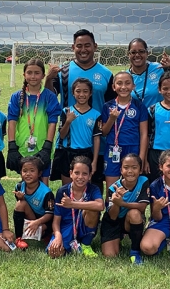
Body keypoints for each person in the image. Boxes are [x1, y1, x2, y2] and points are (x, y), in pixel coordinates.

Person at [45, 29, 116, 187]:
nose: (83, 49)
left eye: (87, 45)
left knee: (92, 188)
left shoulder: (106, 73)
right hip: (69, 140)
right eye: (79, 46)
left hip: (96, 141)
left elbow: (112, 105)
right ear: (73, 47)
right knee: (69, 188)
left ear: (95, 46)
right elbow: (50, 97)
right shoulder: (63, 71)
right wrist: (48, 79)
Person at [7, 59, 61, 184]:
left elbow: (52, 122)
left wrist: (47, 146)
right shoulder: (16, 97)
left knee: (43, 185)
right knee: (26, 184)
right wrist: (12, 146)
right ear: (24, 75)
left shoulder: (49, 96)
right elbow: (12, 121)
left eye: (37, 73)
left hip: (42, 147)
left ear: (43, 75)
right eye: (29, 72)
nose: (33, 76)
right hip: (22, 148)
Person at [47, 156, 104, 258]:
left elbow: (100, 206)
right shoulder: (62, 191)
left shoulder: (93, 189)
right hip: (67, 227)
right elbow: (56, 220)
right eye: (77, 173)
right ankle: (70, 245)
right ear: (70, 174)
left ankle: (86, 244)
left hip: (84, 226)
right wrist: (58, 236)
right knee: (54, 252)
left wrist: (72, 204)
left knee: (92, 209)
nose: (80, 177)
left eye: (85, 174)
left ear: (90, 176)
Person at [101, 71, 148, 188]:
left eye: (127, 83)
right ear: (113, 87)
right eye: (119, 83)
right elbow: (104, 132)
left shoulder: (139, 106)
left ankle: (128, 206)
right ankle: (111, 206)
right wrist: (112, 119)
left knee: (131, 188)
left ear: (133, 86)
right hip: (113, 149)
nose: (123, 87)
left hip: (133, 149)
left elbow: (144, 133)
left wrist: (141, 157)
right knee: (111, 189)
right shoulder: (107, 106)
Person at [100, 154, 149, 265]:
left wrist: (122, 203)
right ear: (121, 170)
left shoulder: (143, 181)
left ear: (140, 170)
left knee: (135, 214)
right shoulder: (113, 188)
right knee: (110, 255)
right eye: (126, 167)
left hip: (129, 219)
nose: (130, 171)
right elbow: (112, 216)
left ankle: (135, 252)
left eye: (134, 167)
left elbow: (142, 207)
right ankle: (118, 236)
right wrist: (117, 203)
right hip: (113, 222)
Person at [51, 78, 102, 184]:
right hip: (68, 152)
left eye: (85, 91)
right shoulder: (67, 111)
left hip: (86, 153)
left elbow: (96, 138)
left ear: (90, 93)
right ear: (73, 93)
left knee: (84, 187)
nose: (81, 94)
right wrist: (68, 121)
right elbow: (62, 135)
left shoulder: (96, 114)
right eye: (78, 91)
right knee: (67, 187)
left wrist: (95, 161)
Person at [126, 38, 170, 109]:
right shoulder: (126, 76)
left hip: (158, 117)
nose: (137, 55)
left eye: (141, 51)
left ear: (147, 53)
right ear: (128, 54)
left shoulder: (159, 68)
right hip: (136, 118)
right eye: (133, 52)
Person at [12, 156, 55, 250]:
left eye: (32, 171)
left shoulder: (46, 192)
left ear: (39, 173)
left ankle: (46, 235)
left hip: (44, 220)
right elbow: (21, 208)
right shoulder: (19, 187)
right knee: (20, 204)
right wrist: (20, 198)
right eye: (25, 171)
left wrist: (37, 222)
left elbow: (50, 214)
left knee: (42, 230)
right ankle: (19, 238)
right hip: (30, 216)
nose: (28, 174)